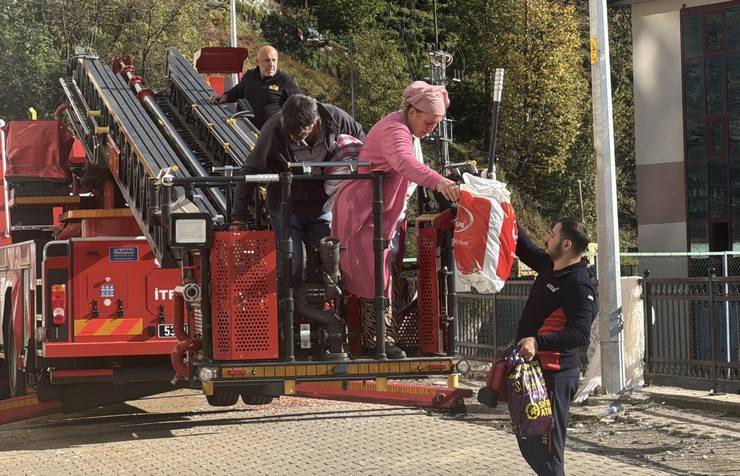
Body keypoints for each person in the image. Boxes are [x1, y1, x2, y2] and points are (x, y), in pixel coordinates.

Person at [331, 81, 460, 359]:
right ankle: (378, 341)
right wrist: (439, 182)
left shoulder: (404, 128)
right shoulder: (395, 130)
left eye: (436, 124)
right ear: (412, 112)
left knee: (381, 276)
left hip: (381, 215)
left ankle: (380, 339)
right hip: (365, 214)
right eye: (429, 122)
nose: (431, 129)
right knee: (373, 276)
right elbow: (404, 162)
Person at [231, 94, 365, 288]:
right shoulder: (274, 129)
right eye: (291, 135)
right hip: (286, 206)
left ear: (316, 121)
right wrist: (238, 216)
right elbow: (251, 169)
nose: (294, 139)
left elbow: (361, 141)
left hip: (322, 205)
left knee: (330, 259)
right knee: (294, 263)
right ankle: (289, 313)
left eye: (300, 135)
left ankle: (326, 311)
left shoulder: (335, 118)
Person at [513, 218, 597, 476]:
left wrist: (538, 342)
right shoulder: (549, 265)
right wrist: (497, 200)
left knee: (547, 449)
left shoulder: (580, 285)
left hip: (557, 374)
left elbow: (580, 334)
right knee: (528, 440)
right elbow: (521, 245)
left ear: (567, 244)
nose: (546, 238)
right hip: (535, 371)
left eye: (551, 234)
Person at [209, 45, 300, 129]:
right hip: (245, 130)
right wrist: (225, 96)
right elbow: (238, 90)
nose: (271, 64)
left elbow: (299, 106)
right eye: (267, 60)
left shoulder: (285, 81)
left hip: (270, 135)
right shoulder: (250, 76)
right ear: (257, 61)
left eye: (274, 60)